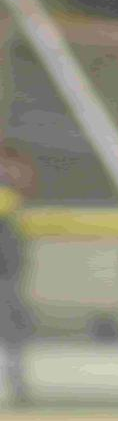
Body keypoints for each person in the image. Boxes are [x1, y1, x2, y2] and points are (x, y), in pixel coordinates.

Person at [0, 128, 37, 406]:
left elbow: (25, 184)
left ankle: (16, 380)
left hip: (6, 245)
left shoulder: (12, 164)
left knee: (10, 310)